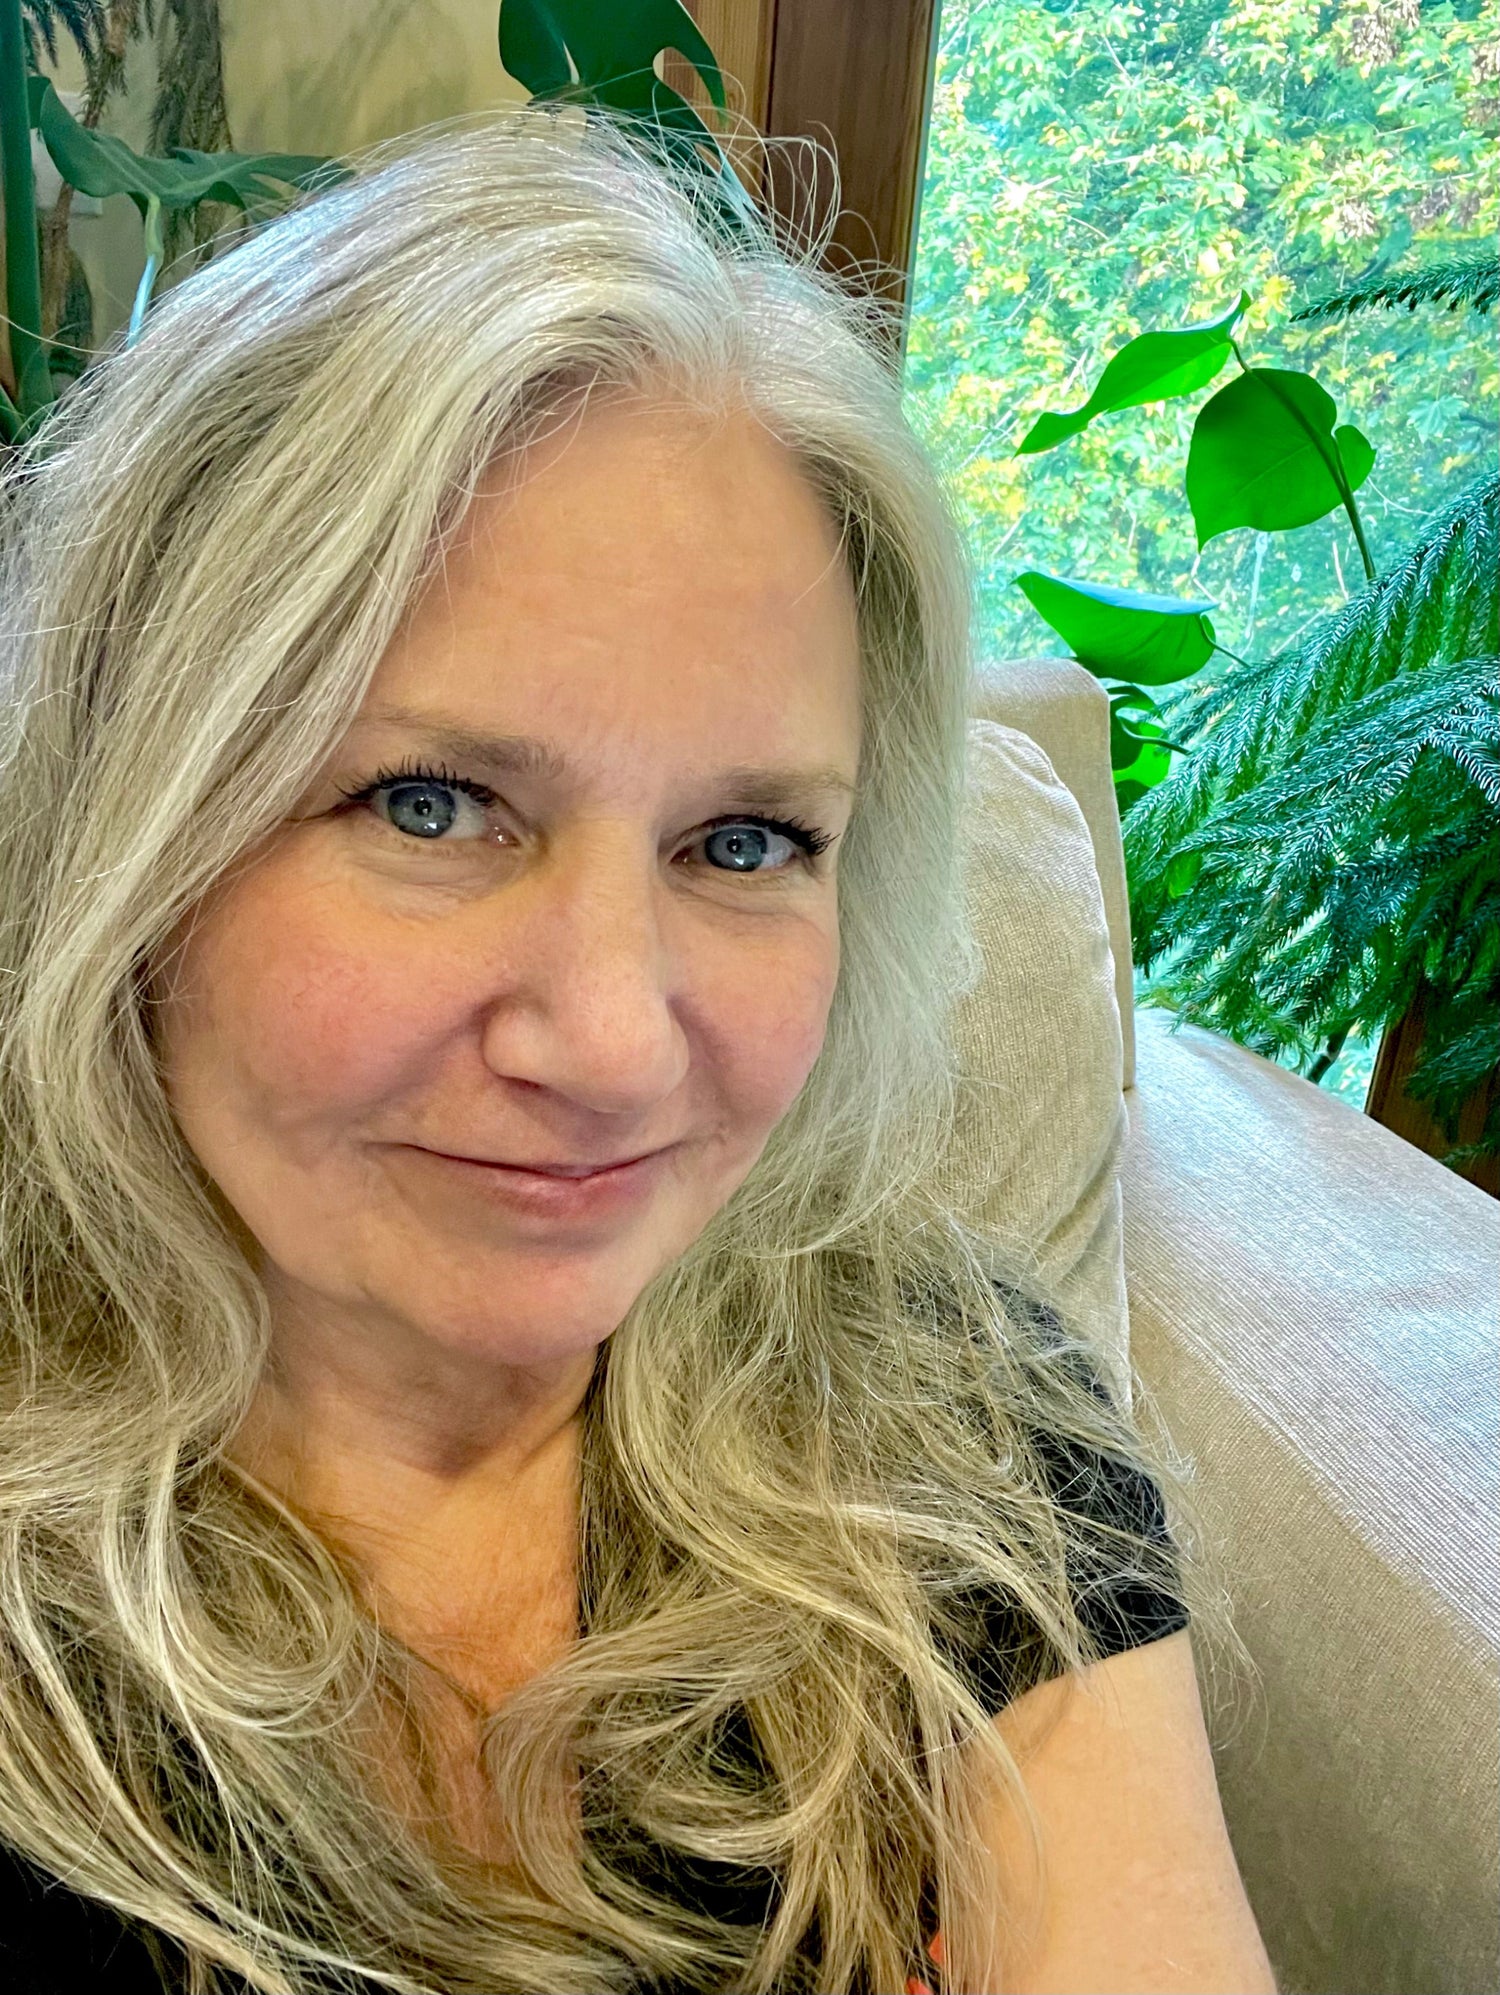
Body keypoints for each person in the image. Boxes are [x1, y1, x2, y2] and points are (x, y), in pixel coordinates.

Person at [0, 104, 1273, 1995]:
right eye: (430, 805)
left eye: (746, 844)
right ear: (136, 819)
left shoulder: (952, 1423)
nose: (609, 1046)